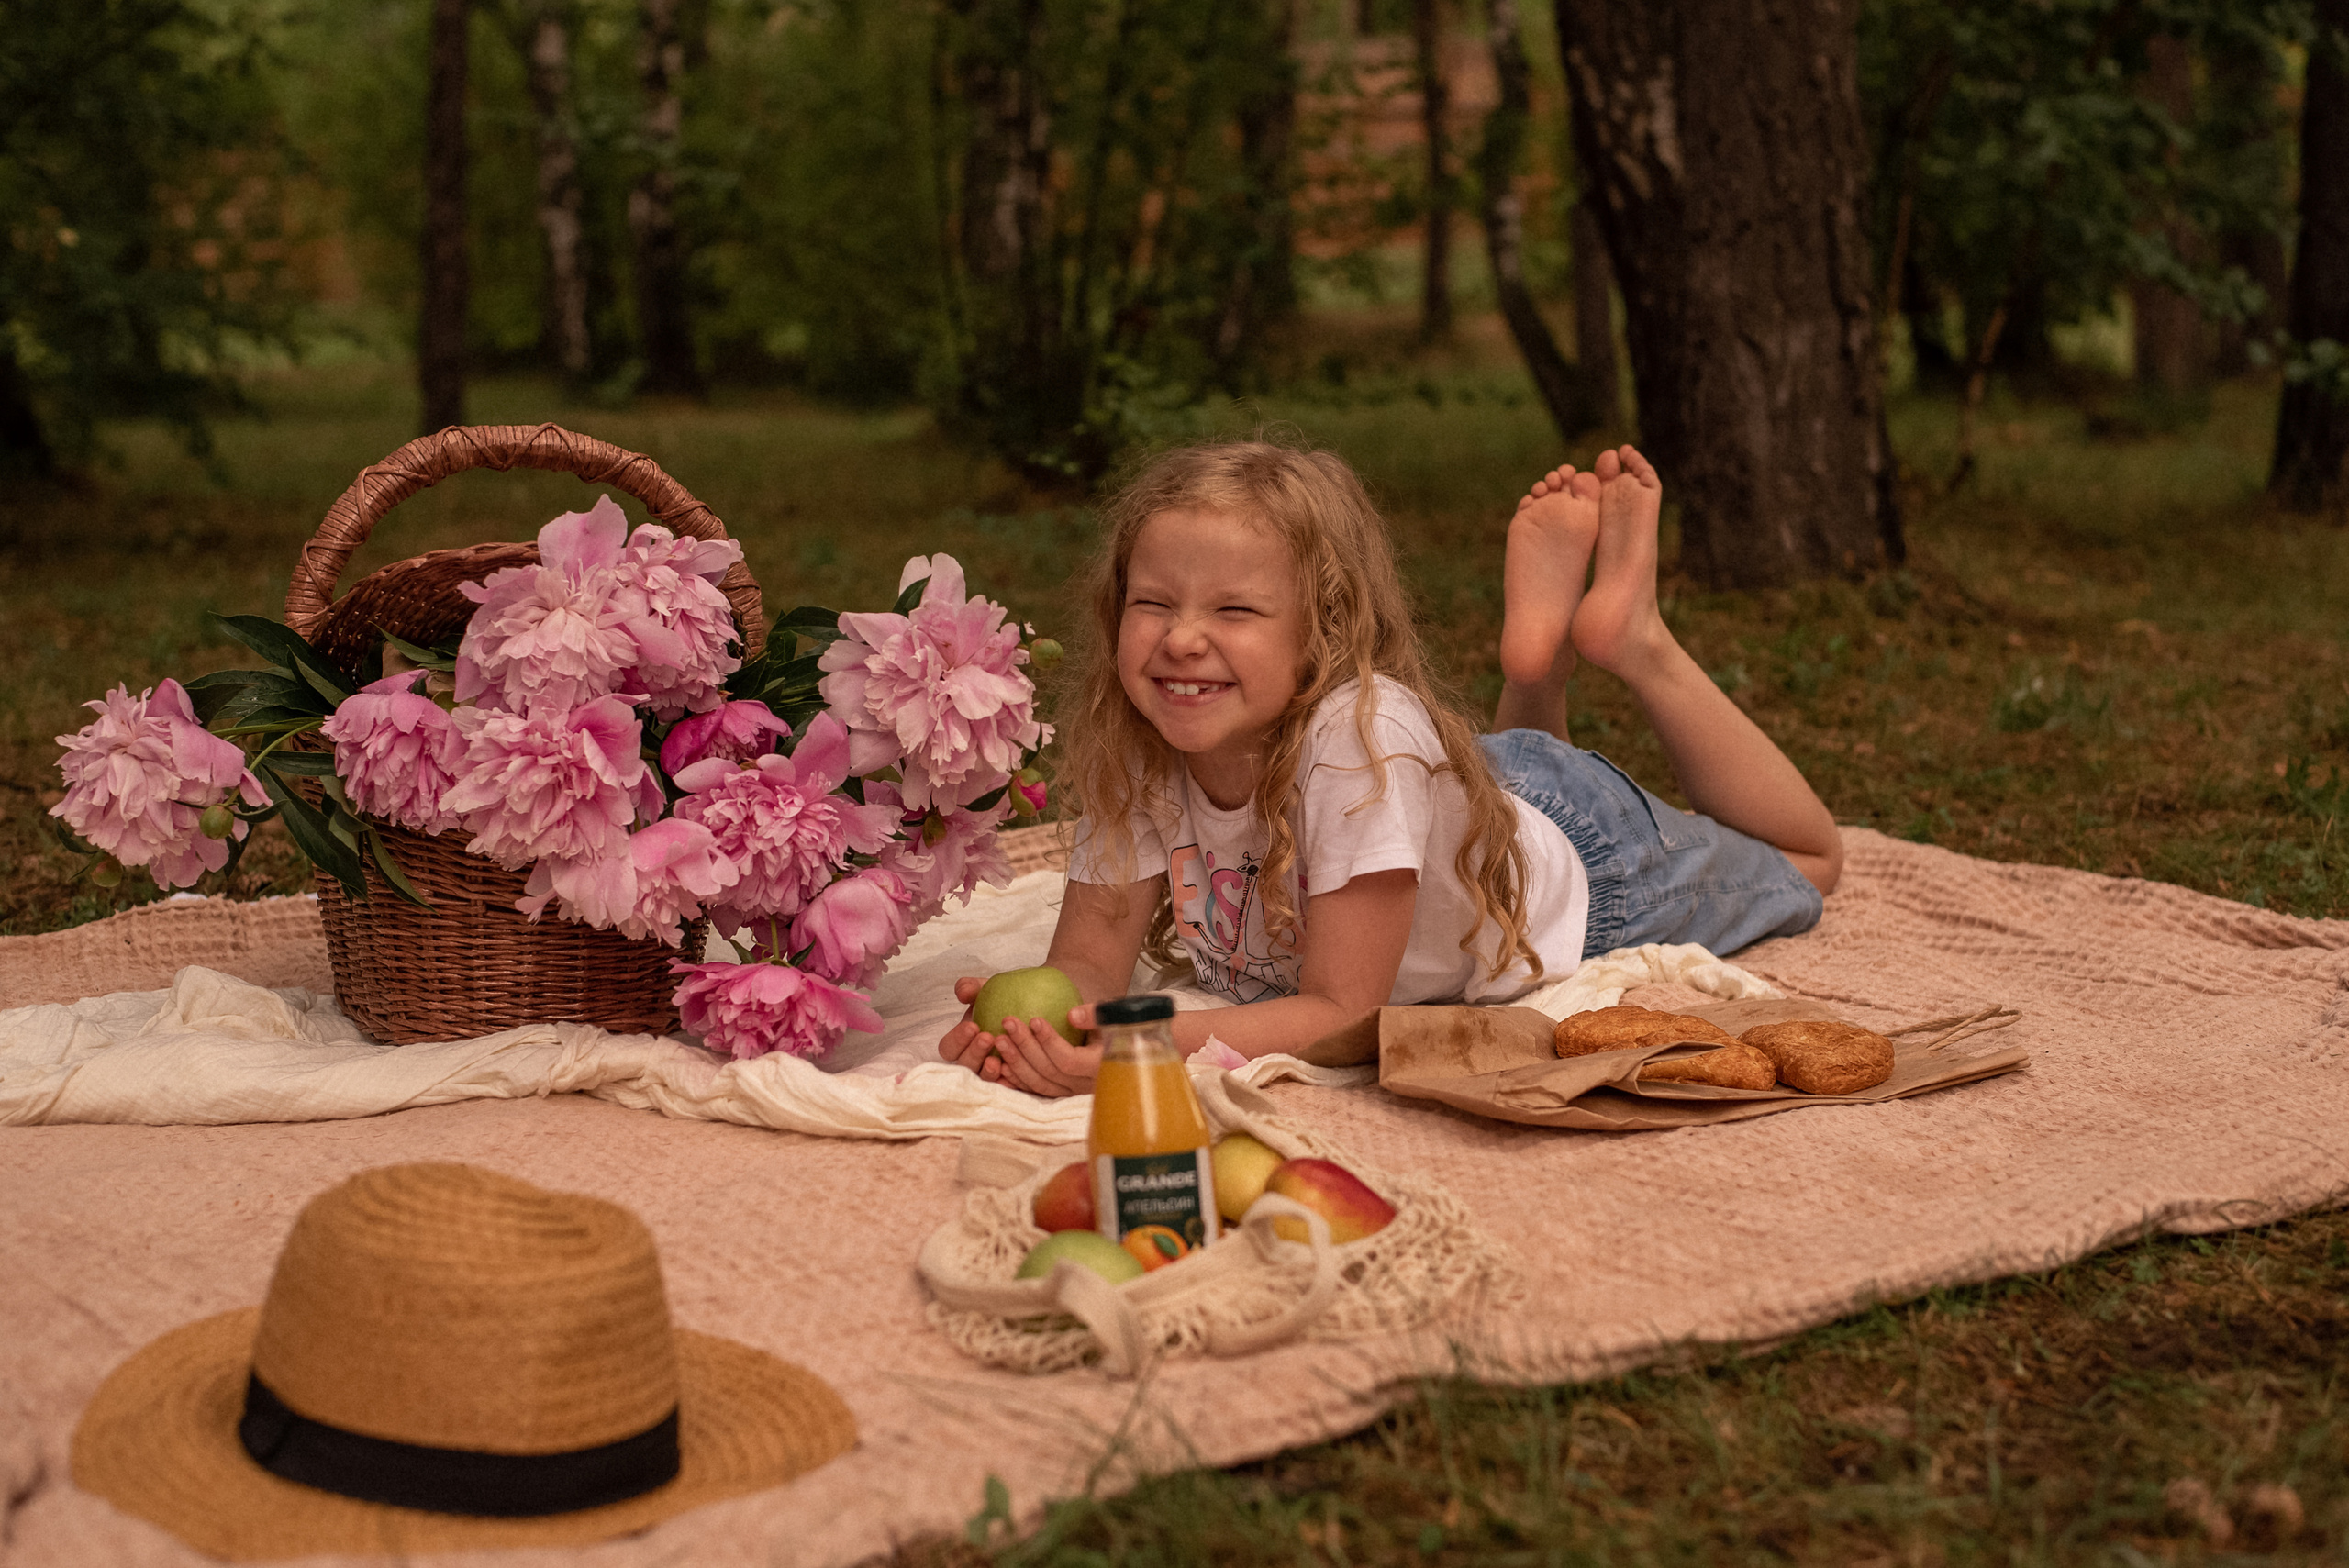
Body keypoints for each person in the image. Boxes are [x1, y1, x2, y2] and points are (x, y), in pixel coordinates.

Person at [938, 439, 1842, 1097]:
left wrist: (1139, 1044)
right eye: (1152, 602)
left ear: (1323, 631)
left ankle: (1633, 639)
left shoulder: (1359, 744)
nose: (1180, 637)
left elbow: (1340, 1009)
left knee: (1808, 862)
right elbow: (1090, 962)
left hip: (1583, 858)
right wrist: (1036, 1026)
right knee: (1487, 780)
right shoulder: (1140, 740)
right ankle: (1534, 675)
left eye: (1236, 607)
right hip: (1457, 803)